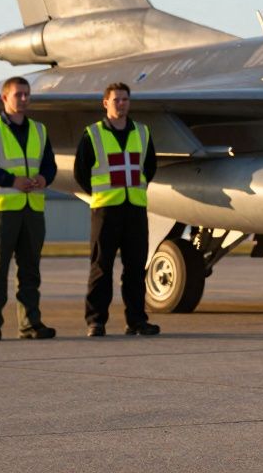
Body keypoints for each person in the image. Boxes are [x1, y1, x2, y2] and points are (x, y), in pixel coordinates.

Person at [0, 76, 57, 341]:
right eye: (18, 94)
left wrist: (44, 178)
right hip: (2, 209)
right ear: (4, 97)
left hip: (32, 209)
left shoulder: (39, 130)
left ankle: (30, 323)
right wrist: (12, 181)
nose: (23, 99)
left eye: (26, 94)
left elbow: (50, 165)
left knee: (30, 270)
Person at [74, 82, 159, 337]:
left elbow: (150, 166)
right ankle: (96, 321)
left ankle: (137, 320)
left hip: (134, 209)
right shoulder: (93, 134)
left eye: (125, 100)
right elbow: (81, 172)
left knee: (135, 268)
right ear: (105, 103)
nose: (121, 104)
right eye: (116, 100)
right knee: (101, 267)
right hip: (105, 211)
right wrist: (100, 194)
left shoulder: (142, 132)